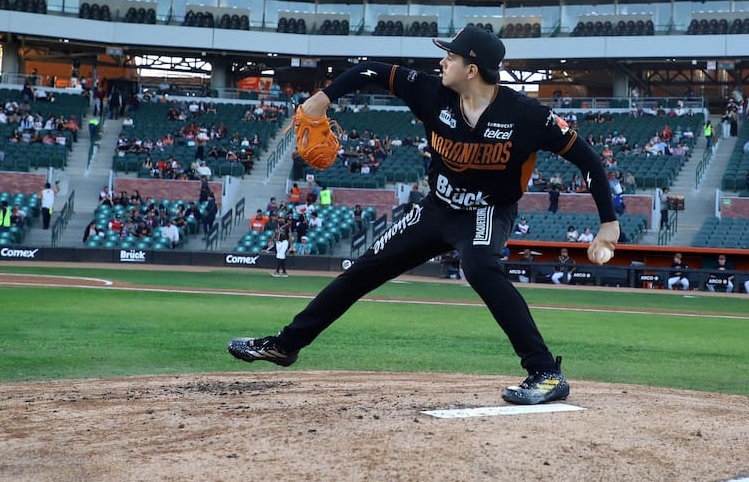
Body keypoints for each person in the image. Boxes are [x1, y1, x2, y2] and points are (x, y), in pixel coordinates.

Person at [228, 27, 619, 406]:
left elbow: (586, 159)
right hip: (438, 207)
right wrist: (323, 98)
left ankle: (546, 372)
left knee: (480, 267)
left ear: (471, 69)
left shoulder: (526, 115)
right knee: (364, 268)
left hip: (487, 210)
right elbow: (370, 70)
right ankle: (285, 346)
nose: (442, 61)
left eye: (450, 56)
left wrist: (608, 222)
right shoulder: (431, 93)